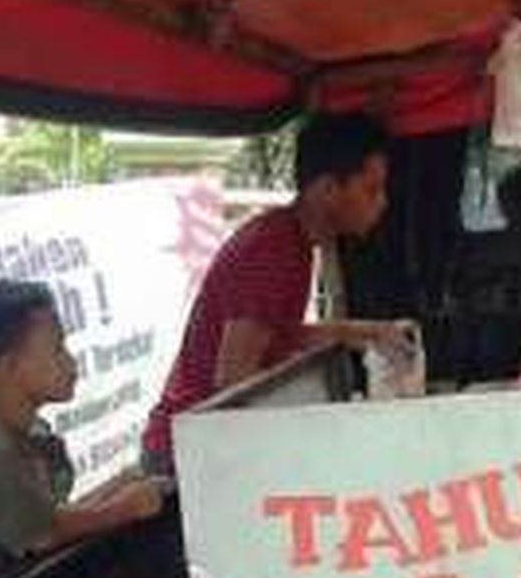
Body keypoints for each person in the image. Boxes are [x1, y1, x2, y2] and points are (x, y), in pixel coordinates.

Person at [143, 111, 402, 474]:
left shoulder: (294, 241)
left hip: (210, 440)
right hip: (186, 456)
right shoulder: (272, 249)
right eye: (371, 189)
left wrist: (366, 333)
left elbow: (276, 335)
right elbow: (233, 384)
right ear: (327, 189)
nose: (382, 202)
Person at [0, 279, 162, 578]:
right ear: (9, 366)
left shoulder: (32, 433)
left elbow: (47, 516)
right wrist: (124, 508)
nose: (71, 362)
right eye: (57, 349)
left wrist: (114, 488)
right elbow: (40, 535)